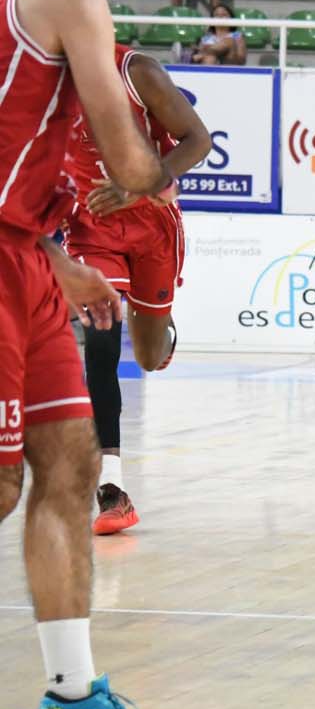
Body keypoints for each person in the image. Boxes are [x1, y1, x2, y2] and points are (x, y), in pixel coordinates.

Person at [0, 0, 188, 709]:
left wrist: (58, 257)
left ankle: (73, 696)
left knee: (71, 464)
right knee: (4, 483)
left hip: (28, 253)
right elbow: (133, 164)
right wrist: (151, 181)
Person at [61, 42, 211, 535]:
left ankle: (161, 336)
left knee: (146, 357)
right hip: (90, 227)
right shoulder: (38, 84)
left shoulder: (136, 70)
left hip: (152, 225)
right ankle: (112, 490)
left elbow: (197, 140)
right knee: (101, 341)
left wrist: (141, 182)